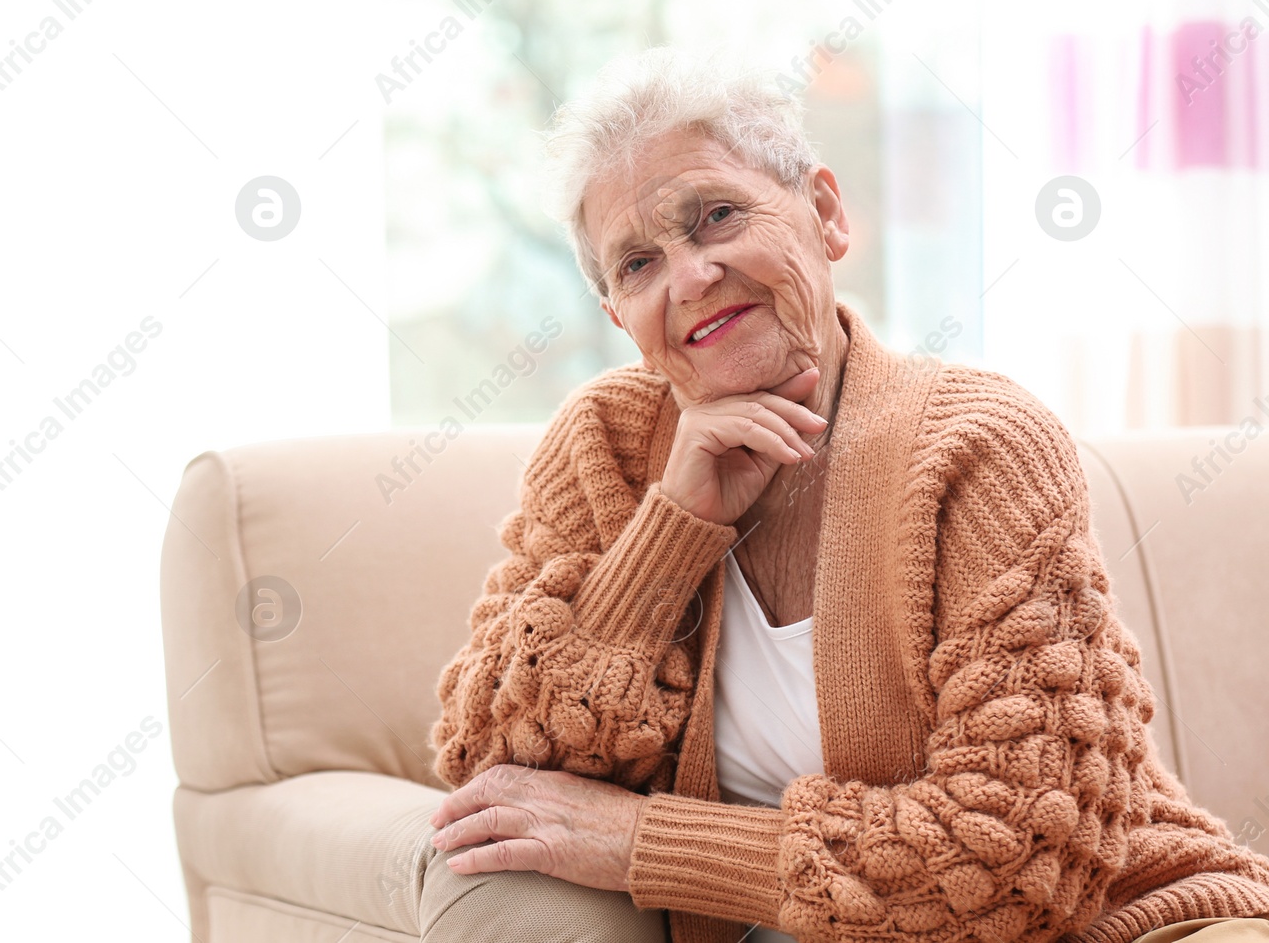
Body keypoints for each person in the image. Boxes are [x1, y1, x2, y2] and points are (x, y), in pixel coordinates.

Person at [425, 47, 1269, 943]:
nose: (690, 277)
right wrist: (670, 529)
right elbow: (493, 760)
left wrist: (645, 840)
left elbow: (1020, 862)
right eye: (637, 264)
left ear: (825, 212)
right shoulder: (606, 444)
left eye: (715, 216)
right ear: (618, 318)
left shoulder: (981, 447)